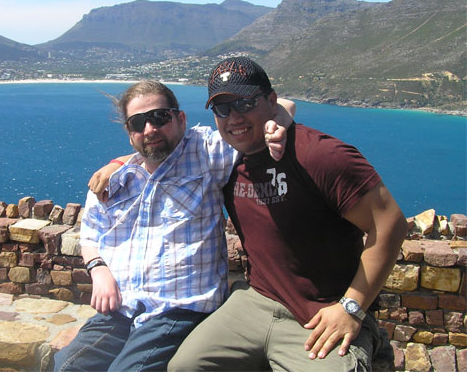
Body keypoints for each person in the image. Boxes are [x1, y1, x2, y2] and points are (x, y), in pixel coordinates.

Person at [167, 56, 407, 371]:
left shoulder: (319, 155)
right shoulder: (228, 161)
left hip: (322, 312)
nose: (234, 117)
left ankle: (370, 340)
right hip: (256, 301)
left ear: (271, 100)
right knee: (184, 367)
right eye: (222, 109)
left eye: (245, 103)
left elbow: (390, 224)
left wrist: (351, 308)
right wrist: (119, 166)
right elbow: (161, 152)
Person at [53, 80, 293, 372]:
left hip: (178, 309)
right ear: (130, 134)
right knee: (67, 366)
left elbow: (285, 106)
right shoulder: (113, 181)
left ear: (181, 119)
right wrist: (98, 270)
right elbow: (90, 232)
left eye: (159, 117)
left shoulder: (206, 152)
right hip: (121, 308)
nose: (150, 129)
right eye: (138, 123)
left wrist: (274, 126)